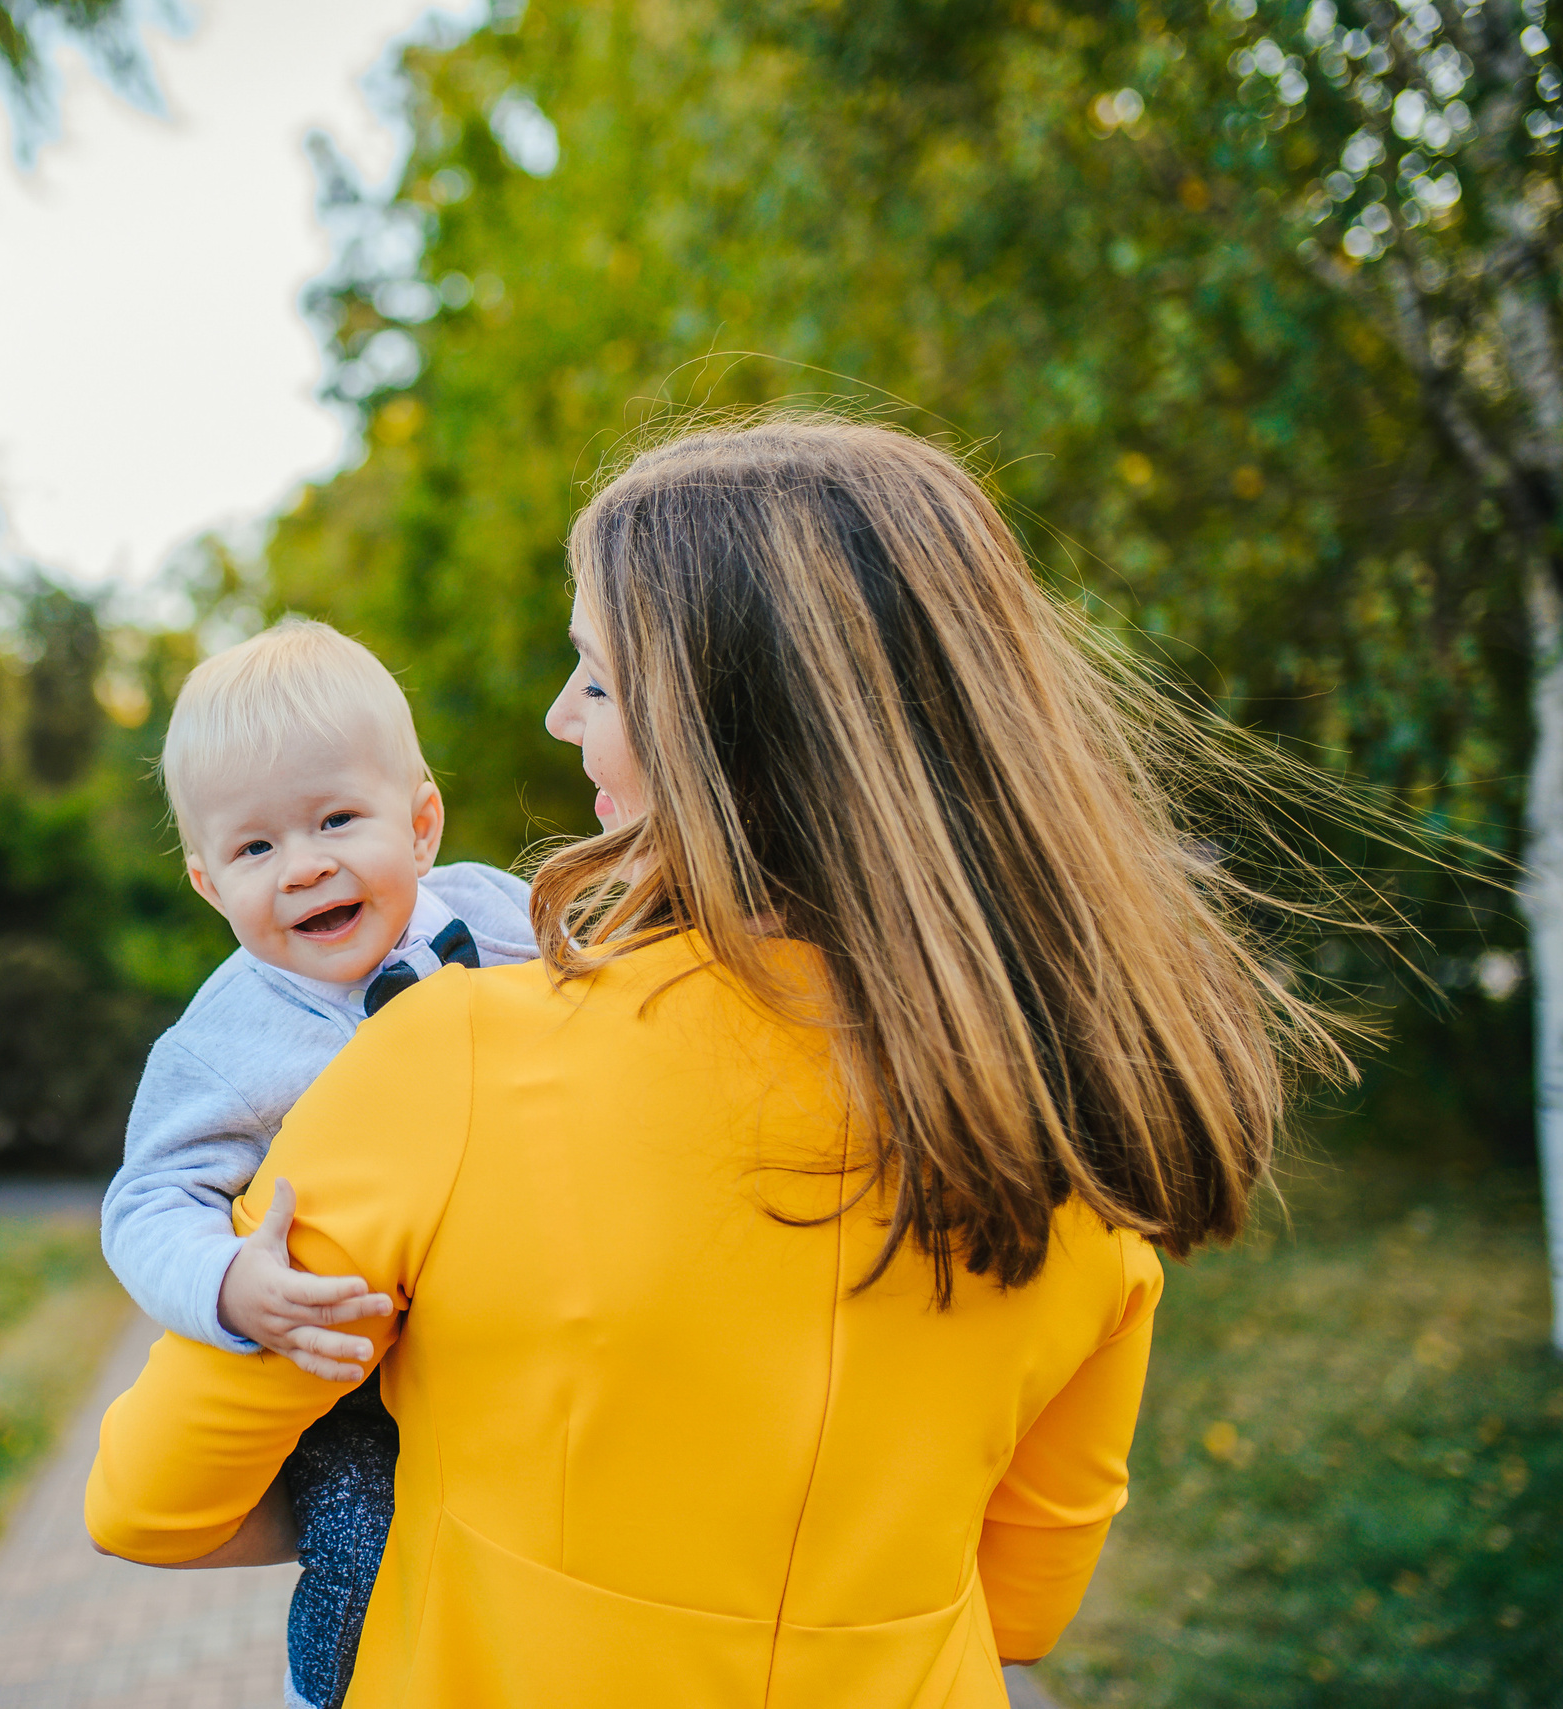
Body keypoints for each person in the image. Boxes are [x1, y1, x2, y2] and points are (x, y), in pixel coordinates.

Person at [86, 417, 1348, 1707]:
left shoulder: (444, 1056)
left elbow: (149, 1503)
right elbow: (1022, 1604)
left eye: (596, 678)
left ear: (723, 726)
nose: (557, 714)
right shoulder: (1077, 1120)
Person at [98, 616, 539, 1709]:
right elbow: (148, 1199)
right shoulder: (222, 1040)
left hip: (519, 1317)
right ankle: (326, 1690)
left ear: (422, 820)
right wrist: (230, 1285)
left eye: (337, 817)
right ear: (208, 884)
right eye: (255, 848)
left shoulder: (501, 914)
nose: (304, 866)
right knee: (360, 1525)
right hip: (352, 1368)